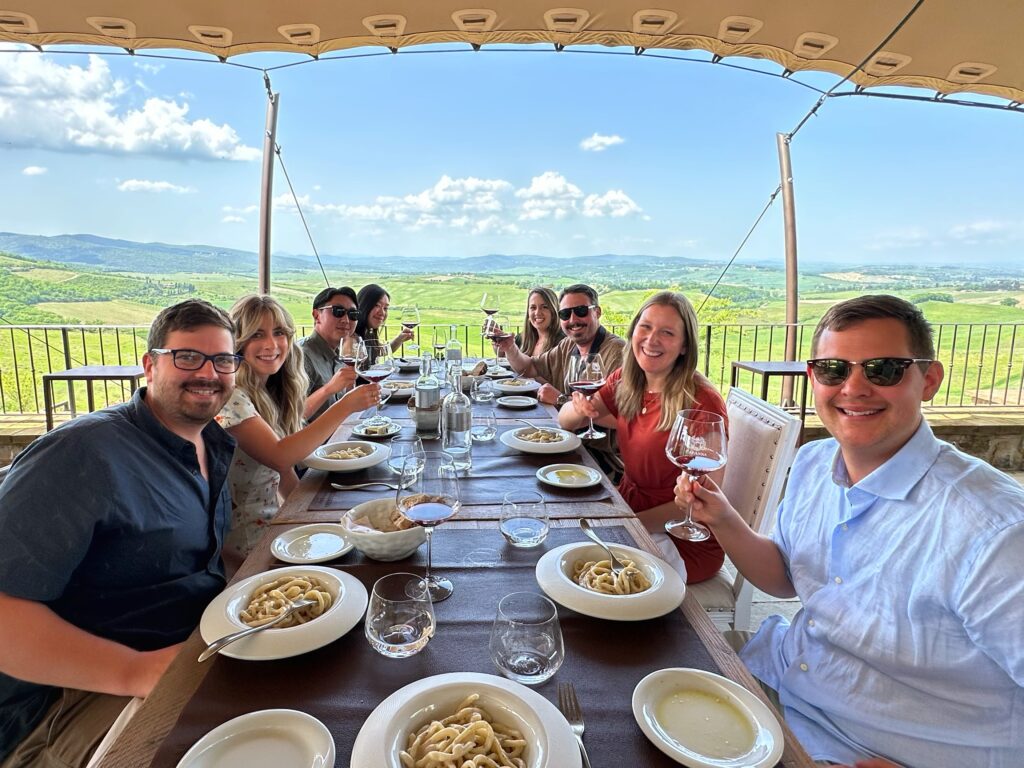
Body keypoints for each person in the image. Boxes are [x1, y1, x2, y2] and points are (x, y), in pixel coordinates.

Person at [675, 295, 1024, 767]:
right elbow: (785, 577)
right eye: (834, 370)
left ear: (930, 381)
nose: (854, 388)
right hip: (779, 681)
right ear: (813, 379)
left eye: (883, 369)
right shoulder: (816, 463)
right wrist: (721, 518)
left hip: (862, 747)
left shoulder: (994, 531)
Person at [0, 299, 239, 768]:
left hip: (188, 648)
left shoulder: (209, 441)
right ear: (150, 365)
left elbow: (195, 558)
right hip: (67, 703)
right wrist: (136, 671)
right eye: (187, 357)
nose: (208, 373)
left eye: (223, 360)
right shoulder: (82, 453)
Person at [558, 291, 726, 583]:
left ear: (685, 346)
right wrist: (579, 406)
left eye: (667, 332)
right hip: (629, 508)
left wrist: (627, 524)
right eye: (645, 327)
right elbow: (565, 421)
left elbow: (701, 504)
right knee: (562, 545)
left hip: (678, 537)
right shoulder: (626, 380)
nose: (651, 339)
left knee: (587, 575)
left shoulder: (702, 403)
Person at [217, 295, 379, 564]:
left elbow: (282, 470)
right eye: (257, 334)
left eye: (279, 332)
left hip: (277, 527)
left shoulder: (266, 390)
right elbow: (280, 455)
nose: (271, 344)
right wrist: (345, 406)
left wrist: (310, 517)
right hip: (247, 547)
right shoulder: (231, 396)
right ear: (238, 342)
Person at [494, 283, 624, 407]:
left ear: (597, 312)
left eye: (581, 311)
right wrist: (510, 348)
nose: (573, 320)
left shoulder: (617, 351)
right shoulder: (568, 344)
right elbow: (529, 367)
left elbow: (612, 410)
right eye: (565, 314)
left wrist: (561, 399)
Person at [299, 286, 360, 422]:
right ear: (316, 315)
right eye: (338, 311)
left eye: (353, 314)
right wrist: (329, 389)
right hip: (316, 442)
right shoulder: (302, 357)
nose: (346, 320)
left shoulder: (340, 354)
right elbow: (293, 416)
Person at [355, 283, 414, 355]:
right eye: (377, 305)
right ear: (363, 305)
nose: (382, 312)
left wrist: (399, 339)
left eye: (385, 308)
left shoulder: (367, 332)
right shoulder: (352, 338)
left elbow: (379, 352)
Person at [514, 286, 565, 356]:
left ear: (554, 312)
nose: (537, 312)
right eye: (533, 307)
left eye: (544, 307)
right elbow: (505, 356)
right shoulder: (522, 338)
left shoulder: (563, 342)